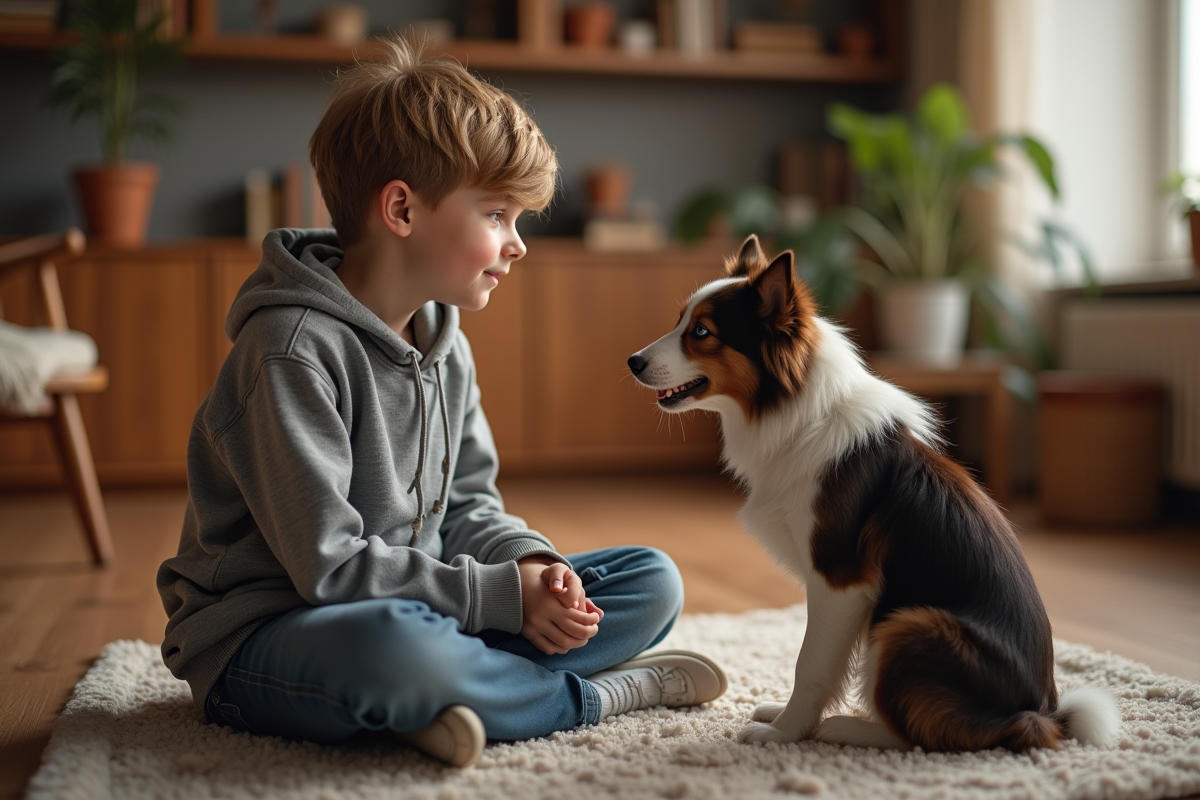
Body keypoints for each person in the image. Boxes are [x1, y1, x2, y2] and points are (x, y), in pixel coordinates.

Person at [156, 35, 726, 769]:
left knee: (652, 579)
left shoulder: (444, 343)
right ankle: (582, 697)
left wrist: (534, 571)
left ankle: (447, 702)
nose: (517, 244)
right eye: (497, 215)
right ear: (401, 209)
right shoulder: (290, 351)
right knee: (396, 651)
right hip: (270, 634)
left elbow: (468, 506)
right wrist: (499, 599)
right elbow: (328, 572)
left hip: (425, 609)